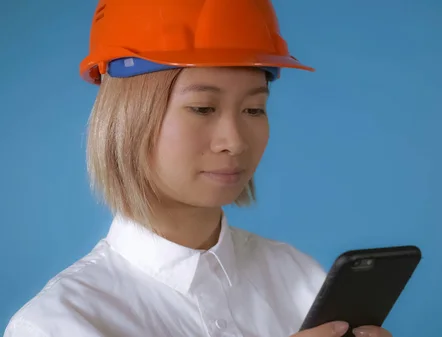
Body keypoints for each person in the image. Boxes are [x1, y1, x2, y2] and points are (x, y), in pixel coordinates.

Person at [4, 1, 392, 336]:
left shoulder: (296, 274)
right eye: (203, 108)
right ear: (128, 117)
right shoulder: (58, 325)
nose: (235, 141)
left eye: (254, 109)